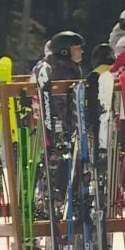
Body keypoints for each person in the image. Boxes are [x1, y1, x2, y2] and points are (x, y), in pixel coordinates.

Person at [44, 31, 85, 202]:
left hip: (67, 127)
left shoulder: (70, 69)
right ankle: (60, 196)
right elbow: (60, 103)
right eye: (77, 49)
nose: (81, 52)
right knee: (66, 163)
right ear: (65, 51)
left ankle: (65, 196)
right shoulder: (63, 72)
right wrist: (72, 124)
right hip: (62, 129)